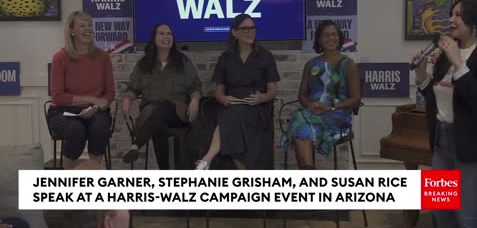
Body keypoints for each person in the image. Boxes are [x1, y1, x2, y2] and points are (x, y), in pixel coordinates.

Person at [412, 0, 477, 228]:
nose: (450, 19)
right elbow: (438, 96)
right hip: (441, 141)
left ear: (474, 21)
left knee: (467, 218)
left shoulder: (469, 55)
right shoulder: (446, 52)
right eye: (451, 13)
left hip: (471, 146)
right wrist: (422, 75)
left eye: (458, 15)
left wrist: (459, 64)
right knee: (440, 211)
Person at [195, 14, 280, 170]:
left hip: (256, 108)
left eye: (253, 28)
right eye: (245, 29)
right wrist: (224, 99)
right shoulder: (226, 58)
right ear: (235, 32)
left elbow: (273, 91)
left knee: (233, 117)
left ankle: (207, 158)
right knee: (233, 114)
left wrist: (263, 97)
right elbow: (218, 93)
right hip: (231, 105)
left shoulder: (265, 56)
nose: (250, 32)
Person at [281, 20, 361, 169]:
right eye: (326, 35)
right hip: (313, 112)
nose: (330, 38)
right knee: (300, 118)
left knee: (301, 123)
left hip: (337, 114)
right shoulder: (311, 64)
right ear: (319, 39)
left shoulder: (349, 64)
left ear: (339, 38)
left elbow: (355, 98)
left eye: (333, 34)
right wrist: (310, 106)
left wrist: (329, 107)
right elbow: (302, 95)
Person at [122, 23, 202, 168]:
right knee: (159, 125)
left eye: (169, 34)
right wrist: (127, 99)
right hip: (151, 114)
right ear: (154, 38)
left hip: (177, 112)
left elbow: (195, 87)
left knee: (164, 108)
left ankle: (136, 145)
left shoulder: (182, 62)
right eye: (162, 33)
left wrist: (195, 100)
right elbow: (133, 88)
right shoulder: (144, 64)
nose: (166, 36)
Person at [48, 11, 115, 169]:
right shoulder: (60, 57)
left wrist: (97, 106)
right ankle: (70, 176)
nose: (88, 29)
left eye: (90, 25)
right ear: (72, 31)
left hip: (96, 111)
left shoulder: (103, 57)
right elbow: (58, 97)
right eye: (82, 25)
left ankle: (91, 175)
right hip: (63, 112)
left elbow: (110, 92)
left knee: (99, 127)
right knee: (76, 130)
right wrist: (92, 99)